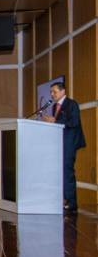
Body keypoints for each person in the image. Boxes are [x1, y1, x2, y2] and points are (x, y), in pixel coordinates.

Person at [43, 82, 86, 213]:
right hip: (58, 144)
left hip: (69, 143)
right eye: (51, 92)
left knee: (67, 172)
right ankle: (60, 200)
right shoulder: (55, 106)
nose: (52, 94)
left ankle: (71, 203)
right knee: (59, 172)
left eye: (54, 92)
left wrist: (55, 121)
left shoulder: (71, 104)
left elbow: (74, 122)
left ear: (63, 92)